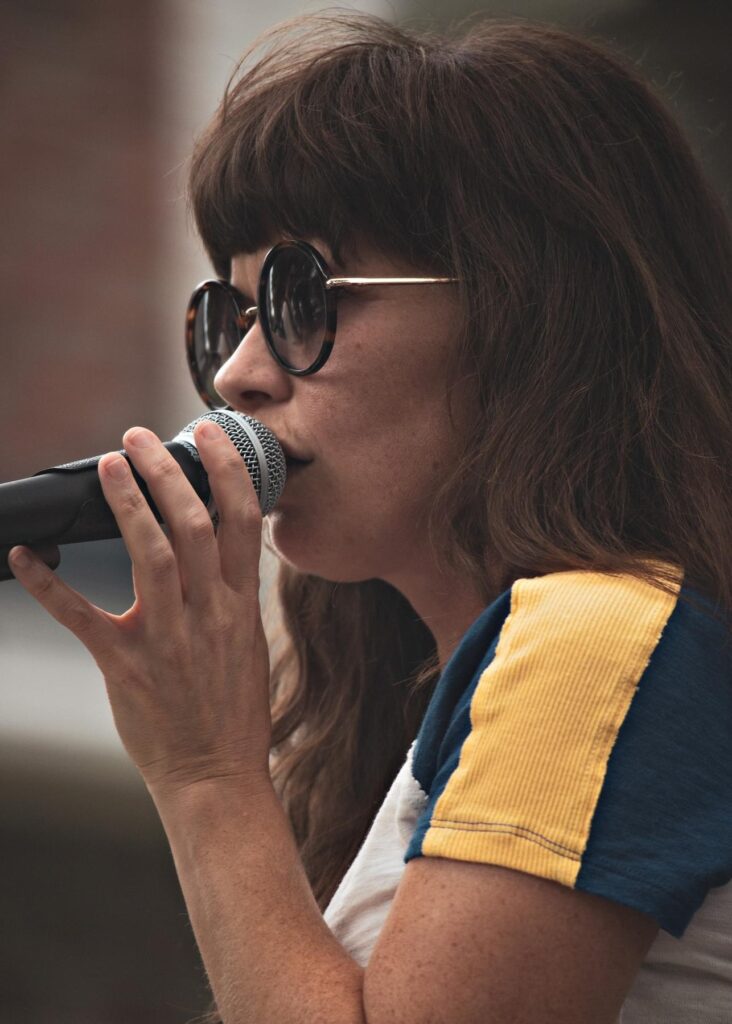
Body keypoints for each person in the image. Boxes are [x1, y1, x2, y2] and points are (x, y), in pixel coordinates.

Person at [9, 11, 732, 1024]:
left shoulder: (597, 637)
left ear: (524, 316)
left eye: (302, 299)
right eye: (230, 316)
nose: (238, 375)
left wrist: (210, 774)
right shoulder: (447, 688)